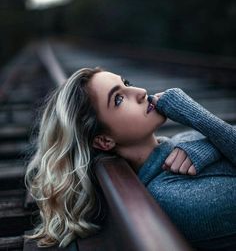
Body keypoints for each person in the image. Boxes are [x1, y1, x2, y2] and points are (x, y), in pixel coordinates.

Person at [25, 67, 236, 250]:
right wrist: (200, 121)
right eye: (118, 98)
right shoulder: (176, 198)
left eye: (126, 83)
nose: (141, 92)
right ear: (104, 141)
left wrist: (209, 146)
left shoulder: (184, 142)